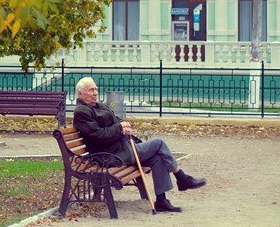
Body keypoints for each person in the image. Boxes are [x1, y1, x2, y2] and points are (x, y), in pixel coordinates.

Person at [73, 77, 206, 213]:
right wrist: (119, 127)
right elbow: (98, 136)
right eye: (91, 90)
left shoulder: (99, 106)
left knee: (157, 159)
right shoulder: (82, 112)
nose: (95, 92)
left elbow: (117, 120)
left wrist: (124, 126)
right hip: (111, 154)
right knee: (159, 144)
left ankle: (161, 200)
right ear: (80, 94)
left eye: (96, 89)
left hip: (121, 147)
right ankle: (181, 177)